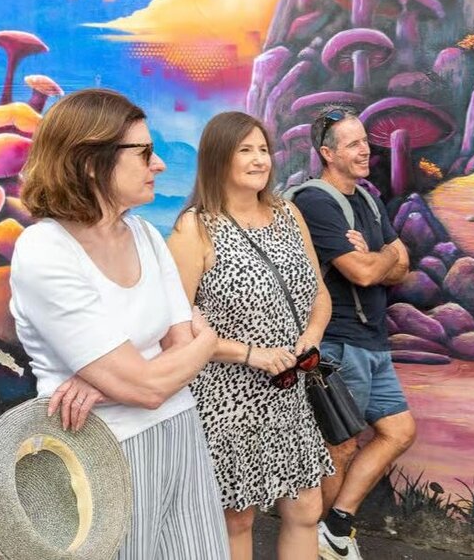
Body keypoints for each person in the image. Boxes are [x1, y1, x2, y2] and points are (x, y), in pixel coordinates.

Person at [9, 89, 229, 559]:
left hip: (180, 432)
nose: (160, 165)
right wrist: (206, 341)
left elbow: (177, 348)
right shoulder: (46, 250)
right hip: (101, 454)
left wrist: (111, 381)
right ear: (91, 161)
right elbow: (151, 383)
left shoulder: (145, 234)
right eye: (145, 153)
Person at [167, 111, 334, 560]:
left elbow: (319, 292)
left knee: (306, 506)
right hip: (225, 399)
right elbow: (174, 326)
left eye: (263, 149)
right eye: (246, 150)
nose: (260, 159)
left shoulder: (287, 212)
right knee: (237, 517)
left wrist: (312, 336)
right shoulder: (194, 227)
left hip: (287, 391)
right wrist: (249, 354)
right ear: (218, 159)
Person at [290, 105, 415, 560]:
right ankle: (309, 544)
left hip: (372, 342)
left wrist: (378, 259)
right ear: (327, 153)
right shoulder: (315, 201)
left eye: (366, 141)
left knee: (399, 431)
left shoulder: (367, 198)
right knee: (339, 448)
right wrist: (379, 260)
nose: (366, 150)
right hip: (339, 343)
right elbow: (364, 272)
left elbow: (403, 264)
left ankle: (335, 528)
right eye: (354, 144)